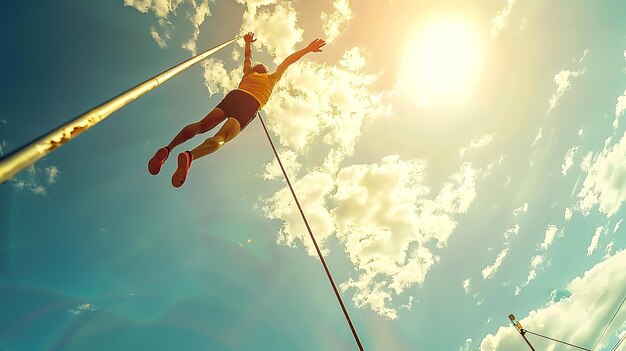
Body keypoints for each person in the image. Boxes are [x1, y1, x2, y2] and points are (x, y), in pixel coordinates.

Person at [147, 32, 326, 188]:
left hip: (235, 96)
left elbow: (247, 57)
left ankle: (168, 149)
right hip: (251, 104)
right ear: (265, 71)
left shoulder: (248, 73)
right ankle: (190, 156)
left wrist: (248, 42)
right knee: (221, 138)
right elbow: (287, 62)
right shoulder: (271, 78)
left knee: (201, 125)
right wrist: (308, 49)